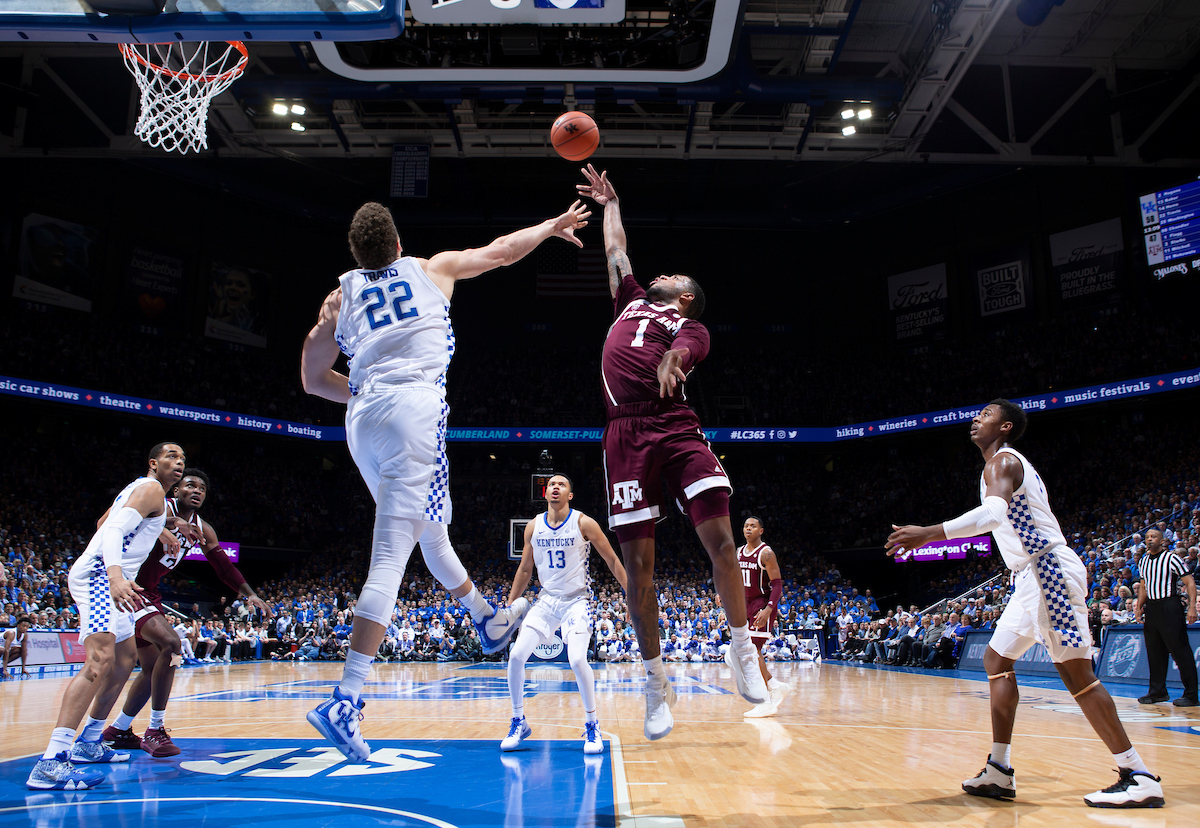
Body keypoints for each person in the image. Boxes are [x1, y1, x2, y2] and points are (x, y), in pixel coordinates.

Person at [300, 199, 591, 762]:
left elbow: (312, 380)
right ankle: (345, 697)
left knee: (430, 530)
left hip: (362, 419)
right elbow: (502, 253)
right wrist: (550, 225)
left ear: (356, 254)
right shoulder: (431, 268)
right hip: (415, 410)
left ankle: (486, 618)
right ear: (399, 243)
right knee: (391, 554)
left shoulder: (341, 297)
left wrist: (339, 349)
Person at [886, 400, 1165, 808]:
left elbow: (992, 515)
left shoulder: (1002, 462)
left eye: (985, 414)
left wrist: (929, 533)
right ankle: (999, 770)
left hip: (1047, 571)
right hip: (1029, 577)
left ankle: (1138, 774)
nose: (975, 419)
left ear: (1005, 426)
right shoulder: (999, 464)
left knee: (1077, 674)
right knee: (996, 662)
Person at [576, 165, 768, 741]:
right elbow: (616, 248)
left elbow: (686, 347)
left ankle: (740, 651)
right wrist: (611, 201)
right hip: (624, 436)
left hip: (676, 426)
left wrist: (673, 361)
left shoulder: (692, 326)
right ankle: (655, 681)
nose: (655, 273)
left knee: (723, 542)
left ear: (685, 296)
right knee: (638, 568)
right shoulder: (630, 298)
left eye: (672, 275)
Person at [27, 442, 197, 791]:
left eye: (182, 459)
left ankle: (90, 741)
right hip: (102, 578)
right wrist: (116, 575)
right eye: (170, 457)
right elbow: (114, 530)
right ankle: (52, 761)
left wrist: (164, 524)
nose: (178, 463)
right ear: (153, 463)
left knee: (124, 658)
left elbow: (106, 518)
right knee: (99, 661)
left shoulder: (149, 496)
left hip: (112, 577)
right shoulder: (150, 489)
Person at [95, 468, 271, 758]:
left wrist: (251, 594)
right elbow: (107, 522)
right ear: (176, 490)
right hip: (127, 586)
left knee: (154, 668)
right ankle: (155, 729)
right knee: (173, 646)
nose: (197, 490)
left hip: (149, 593)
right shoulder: (157, 505)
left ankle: (118, 730)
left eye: (202, 487)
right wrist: (165, 523)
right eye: (190, 484)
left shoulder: (204, 529)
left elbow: (223, 568)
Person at [501, 474, 627, 754]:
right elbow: (524, 570)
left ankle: (592, 725)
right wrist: (511, 605)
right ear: (545, 493)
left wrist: (631, 594)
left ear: (570, 495)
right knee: (516, 656)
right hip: (546, 600)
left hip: (577, 600)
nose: (555, 487)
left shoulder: (583, 522)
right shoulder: (533, 526)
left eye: (562, 484)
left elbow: (612, 559)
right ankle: (518, 721)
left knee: (577, 658)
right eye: (552, 484)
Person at [1133, 528, 1198, 707]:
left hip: (1170, 605)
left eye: (1153, 537)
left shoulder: (1172, 558)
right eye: (1147, 537)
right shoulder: (1144, 561)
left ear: (1162, 540)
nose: (1149, 539)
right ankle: (1157, 692)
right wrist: (1138, 607)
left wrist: (1192, 607)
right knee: (1154, 651)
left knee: (1180, 650)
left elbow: (1190, 582)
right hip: (1152, 608)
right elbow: (1144, 586)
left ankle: (1191, 695)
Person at [737, 516, 791, 718]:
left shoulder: (766, 553)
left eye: (753, 526)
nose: (748, 528)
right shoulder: (739, 552)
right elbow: (735, 577)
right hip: (745, 604)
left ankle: (765, 700)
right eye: (746, 526)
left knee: (752, 651)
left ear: (761, 531)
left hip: (762, 603)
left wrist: (769, 609)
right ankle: (774, 686)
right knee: (744, 652)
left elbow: (777, 584)